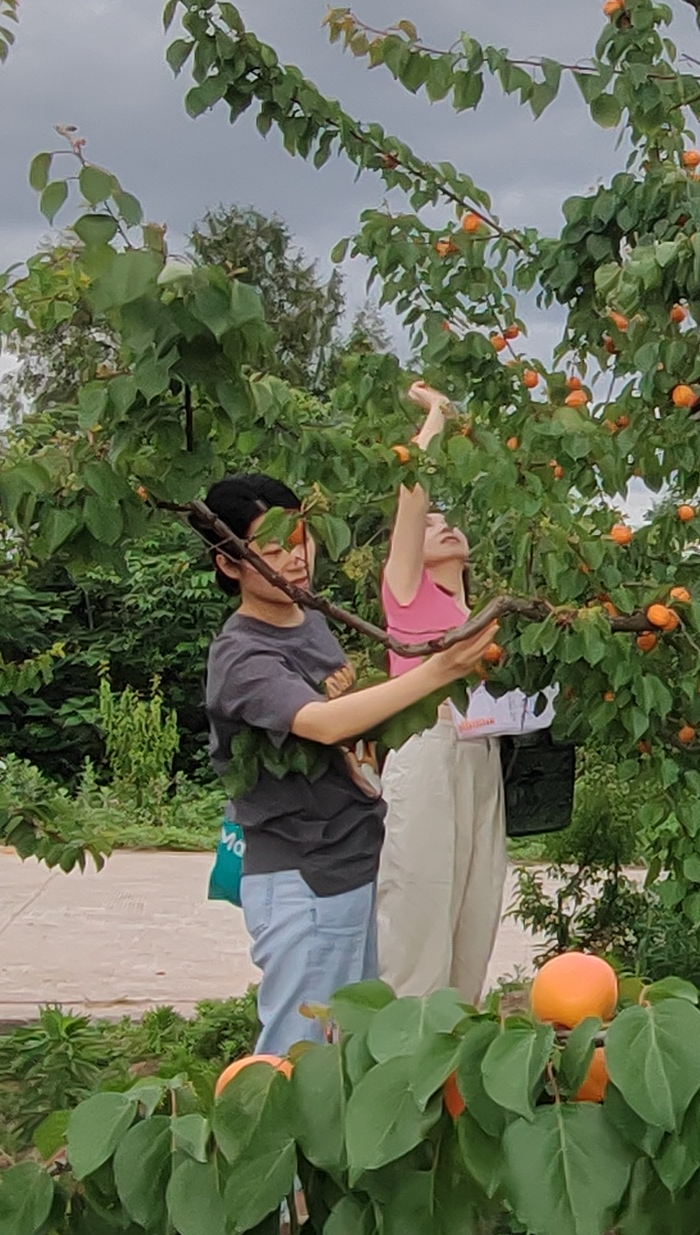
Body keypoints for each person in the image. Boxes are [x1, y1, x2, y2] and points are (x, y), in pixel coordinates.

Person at [193, 472, 496, 1059]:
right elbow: (324, 724)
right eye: (272, 550)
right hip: (303, 878)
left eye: (300, 540)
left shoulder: (309, 619)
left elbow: (344, 736)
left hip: (354, 861)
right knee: (298, 1057)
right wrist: (438, 670)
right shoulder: (241, 656)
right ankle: (270, 1150)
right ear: (229, 565)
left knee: (350, 1049)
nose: (295, 560)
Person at [373, 384, 511, 1007]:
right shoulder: (405, 591)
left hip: (478, 754)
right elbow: (413, 491)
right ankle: (399, 1051)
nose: (442, 526)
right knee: (419, 907)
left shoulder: (478, 611)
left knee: (475, 911)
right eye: (430, 526)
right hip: (424, 746)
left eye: (451, 522)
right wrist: (435, 417)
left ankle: (457, 1051)